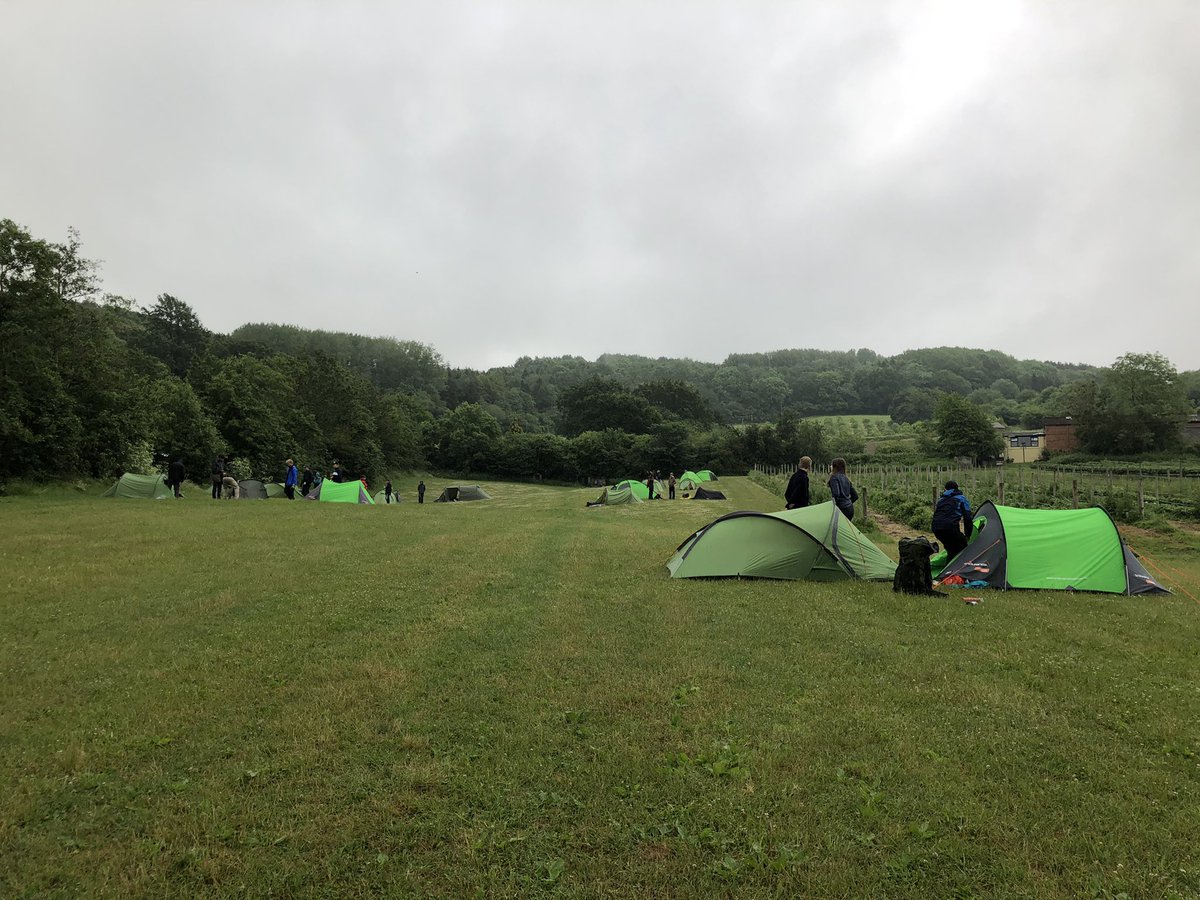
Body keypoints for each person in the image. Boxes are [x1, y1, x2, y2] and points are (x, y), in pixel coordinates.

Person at [932, 480, 972, 560]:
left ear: (945, 489)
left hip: (936, 529)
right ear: (957, 488)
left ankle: (948, 570)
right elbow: (967, 518)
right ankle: (959, 570)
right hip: (950, 528)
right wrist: (968, 535)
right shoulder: (961, 499)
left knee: (951, 551)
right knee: (963, 548)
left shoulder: (941, 500)